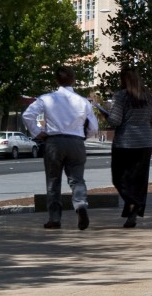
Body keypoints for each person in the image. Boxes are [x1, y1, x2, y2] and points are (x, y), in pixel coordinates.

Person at [24, 66, 98, 230]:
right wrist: (82, 136)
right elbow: (93, 127)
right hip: (76, 142)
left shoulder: (47, 99)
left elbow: (27, 115)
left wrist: (38, 132)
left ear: (56, 81)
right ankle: (80, 205)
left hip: (54, 142)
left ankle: (54, 218)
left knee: (53, 181)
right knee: (77, 179)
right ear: (74, 80)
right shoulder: (83, 101)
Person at [100, 66, 152, 227]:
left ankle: (134, 202)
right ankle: (134, 209)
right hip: (145, 142)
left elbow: (115, 121)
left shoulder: (121, 97)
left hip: (125, 142)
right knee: (139, 179)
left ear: (123, 79)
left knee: (119, 178)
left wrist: (105, 115)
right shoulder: (149, 97)